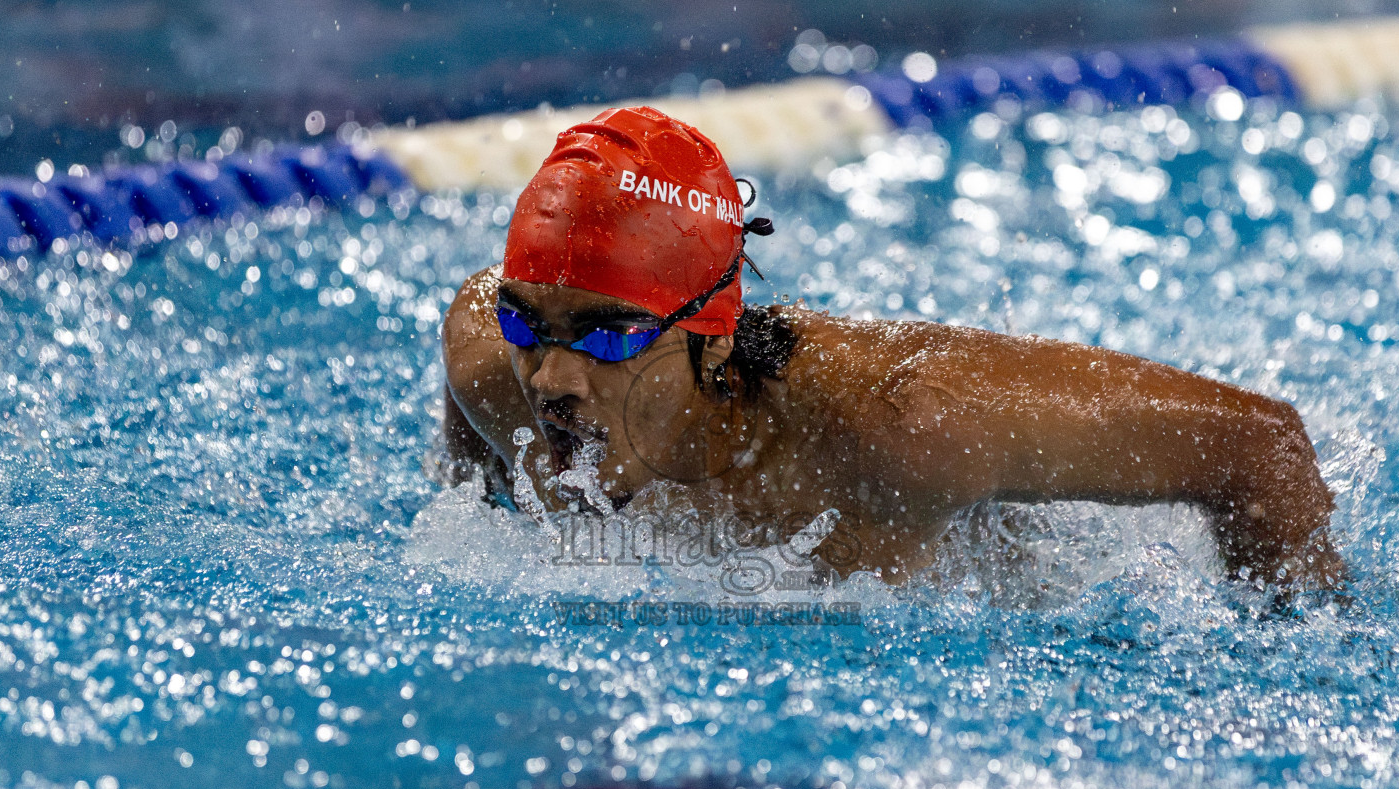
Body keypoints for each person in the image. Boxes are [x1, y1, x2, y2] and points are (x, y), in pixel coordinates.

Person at [438, 105, 1341, 589]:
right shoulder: (492, 363)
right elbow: (486, 342)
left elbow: (1264, 446)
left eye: (605, 331)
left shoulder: (910, 423)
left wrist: (1298, 669)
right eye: (532, 322)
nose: (549, 375)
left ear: (710, 336)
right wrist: (488, 509)